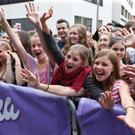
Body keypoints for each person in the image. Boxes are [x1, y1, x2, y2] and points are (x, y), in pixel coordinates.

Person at [22, 2, 115, 110]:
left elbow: (96, 93)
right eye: (68, 56)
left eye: (75, 59)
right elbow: (52, 46)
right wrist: (42, 23)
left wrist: (105, 103)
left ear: (83, 64)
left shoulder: (86, 77)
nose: (69, 61)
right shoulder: (62, 62)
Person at [0, 7, 56, 85]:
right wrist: (4, 21)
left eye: (40, 45)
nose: (36, 48)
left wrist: (37, 25)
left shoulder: (52, 63)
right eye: (33, 46)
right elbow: (18, 45)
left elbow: (48, 45)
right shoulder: (31, 63)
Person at [92, 49, 135, 133]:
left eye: (104, 64)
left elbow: (127, 98)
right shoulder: (91, 84)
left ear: (113, 68)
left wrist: (130, 114)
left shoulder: (119, 84)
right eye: (96, 63)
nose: (99, 67)